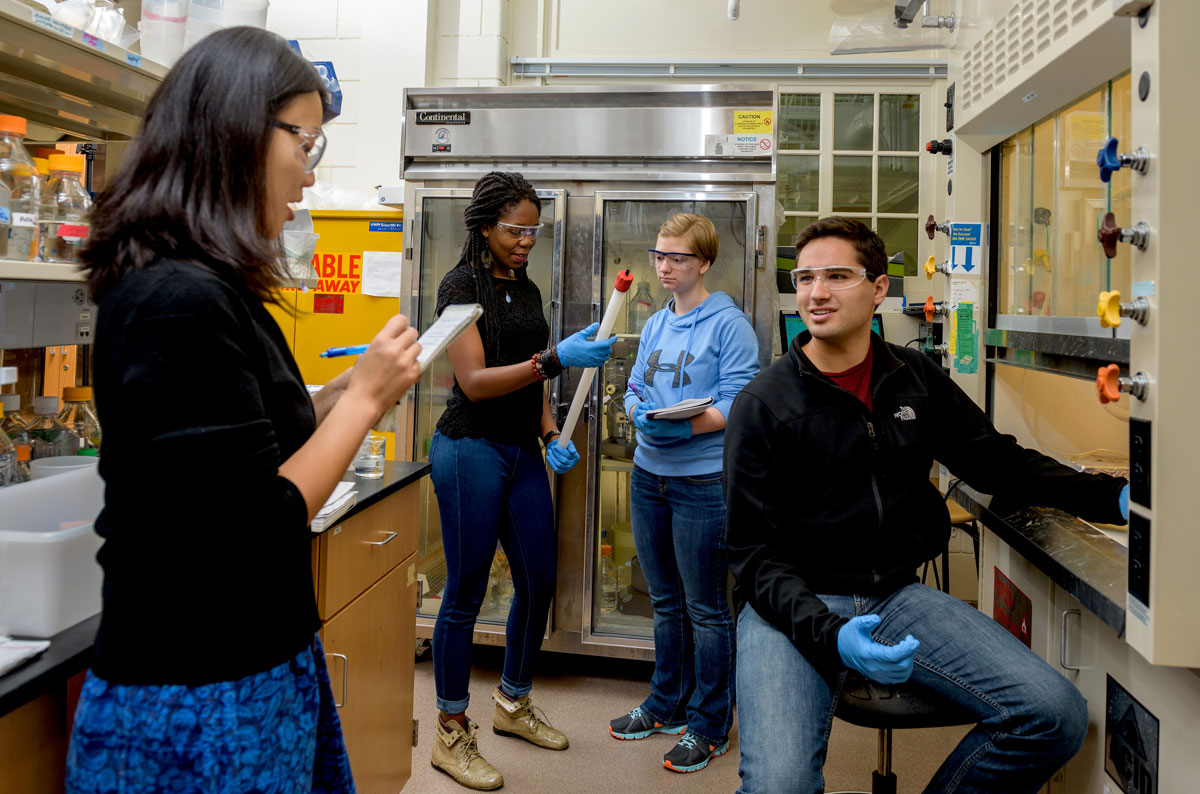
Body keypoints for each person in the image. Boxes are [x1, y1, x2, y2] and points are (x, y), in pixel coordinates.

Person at [66, 27, 424, 794]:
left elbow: (249, 441)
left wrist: (341, 391)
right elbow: (252, 520)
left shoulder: (209, 287)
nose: (308, 176)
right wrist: (363, 402)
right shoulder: (174, 299)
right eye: (306, 143)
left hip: (249, 663)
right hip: (196, 692)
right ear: (235, 133)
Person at [724, 217, 1130, 794]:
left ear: (879, 287)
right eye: (807, 277)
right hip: (792, 605)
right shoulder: (763, 402)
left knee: (1052, 714)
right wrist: (830, 632)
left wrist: (1113, 497)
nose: (816, 292)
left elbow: (996, 462)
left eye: (838, 276)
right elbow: (752, 552)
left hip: (895, 595)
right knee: (780, 785)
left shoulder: (913, 377)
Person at [428, 171, 615, 790]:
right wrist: (556, 357)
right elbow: (476, 383)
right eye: (516, 230)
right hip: (470, 448)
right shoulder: (459, 289)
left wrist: (550, 431)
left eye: (535, 230)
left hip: (521, 450)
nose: (527, 241)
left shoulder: (527, 289)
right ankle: (451, 735)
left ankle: (512, 704)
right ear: (485, 226)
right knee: (466, 591)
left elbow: (533, 380)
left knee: (537, 581)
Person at [609, 213, 759, 773]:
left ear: (704, 262)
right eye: (659, 256)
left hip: (701, 482)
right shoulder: (655, 323)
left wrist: (685, 427)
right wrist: (635, 412)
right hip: (649, 475)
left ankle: (710, 722)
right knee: (664, 601)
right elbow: (634, 384)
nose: (666, 267)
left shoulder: (729, 325)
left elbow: (739, 400)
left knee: (706, 608)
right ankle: (665, 702)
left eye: (678, 258)